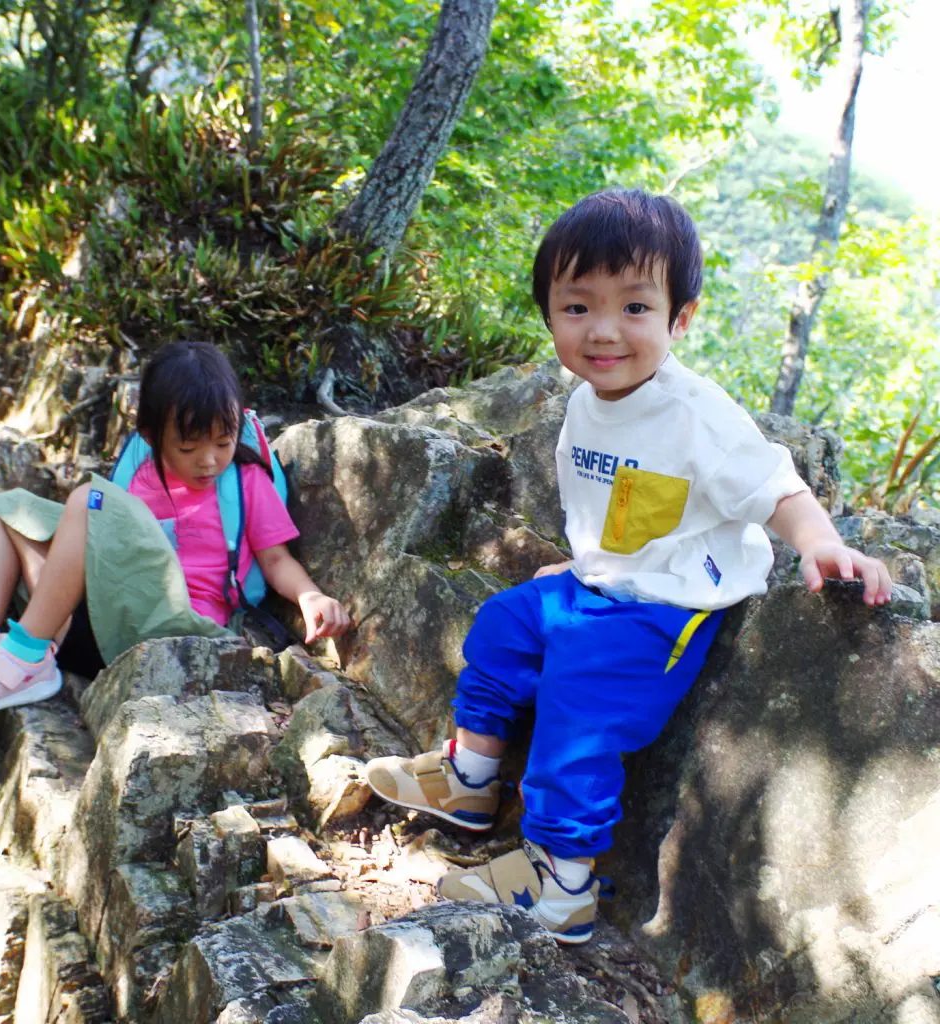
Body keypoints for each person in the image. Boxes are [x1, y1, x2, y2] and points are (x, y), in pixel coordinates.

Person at [365, 188, 892, 945]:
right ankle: (472, 783)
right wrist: (583, 567)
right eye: (577, 308)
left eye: (636, 308)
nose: (604, 331)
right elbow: (615, 506)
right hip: (598, 584)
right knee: (502, 624)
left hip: (663, 609)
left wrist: (818, 542)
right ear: (548, 313)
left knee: (579, 710)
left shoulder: (698, 415)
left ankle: (561, 885)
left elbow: (776, 486)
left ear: (681, 317)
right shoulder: (584, 401)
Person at [0, 340, 349, 718]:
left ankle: (23, 657)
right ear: (150, 435)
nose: (209, 461)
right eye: (188, 446)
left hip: (173, 630)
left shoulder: (245, 481)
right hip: (106, 620)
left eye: (223, 441)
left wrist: (310, 595)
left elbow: (275, 559)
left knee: (89, 500)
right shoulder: (141, 474)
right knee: (7, 508)